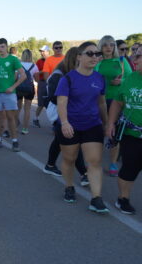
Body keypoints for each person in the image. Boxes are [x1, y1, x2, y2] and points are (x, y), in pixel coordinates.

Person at [55, 41, 109, 214]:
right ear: (79, 56)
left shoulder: (99, 78)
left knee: (94, 161)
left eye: (97, 54)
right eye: (90, 53)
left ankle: (96, 198)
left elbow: (101, 103)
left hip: (92, 125)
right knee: (69, 159)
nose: (95, 57)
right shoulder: (68, 78)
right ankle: (69, 186)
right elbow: (61, 103)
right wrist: (64, 123)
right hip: (70, 125)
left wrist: (107, 123)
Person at [43, 47, 89, 187]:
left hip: (71, 112)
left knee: (59, 140)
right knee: (73, 142)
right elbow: (54, 98)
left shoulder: (75, 73)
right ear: (74, 59)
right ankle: (84, 173)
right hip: (59, 113)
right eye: (80, 58)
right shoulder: (58, 75)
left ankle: (50, 165)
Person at [106, 47, 142, 214]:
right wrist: (111, 123)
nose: (134, 59)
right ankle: (123, 198)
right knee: (129, 168)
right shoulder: (130, 78)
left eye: (139, 56)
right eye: (134, 55)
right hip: (132, 135)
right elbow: (118, 102)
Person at [95, 35, 133, 177]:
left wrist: (121, 81)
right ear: (101, 47)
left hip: (116, 101)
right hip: (98, 100)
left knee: (113, 133)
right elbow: (91, 75)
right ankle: (94, 161)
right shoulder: (97, 61)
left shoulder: (121, 61)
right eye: (105, 45)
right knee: (97, 131)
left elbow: (130, 79)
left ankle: (112, 163)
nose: (109, 48)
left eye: (111, 45)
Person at [0, 38, 26, 152]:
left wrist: (12, 87)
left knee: (10, 117)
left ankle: (15, 141)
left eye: (2, 46)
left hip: (9, 93)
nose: (0, 49)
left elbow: (23, 76)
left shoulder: (13, 60)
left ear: (6, 47)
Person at [16, 49, 39, 135]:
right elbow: (36, 79)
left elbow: (15, 78)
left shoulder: (18, 65)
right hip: (29, 89)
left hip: (19, 88)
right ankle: (25, 129)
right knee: (27, 109)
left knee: (17, 108)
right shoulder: (34, 66)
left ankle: (14, 126)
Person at [33, 45, 50, 128]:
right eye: (41, 51)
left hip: (52, 83)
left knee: (52, 103)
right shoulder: (39, 61)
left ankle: (55, 123)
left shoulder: (51, 60)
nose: (41, 53)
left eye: (43, 51)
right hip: (42, 83)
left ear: (48, 52)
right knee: (41, 103)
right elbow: (35, 73)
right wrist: (42, 72)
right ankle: (36, 118)